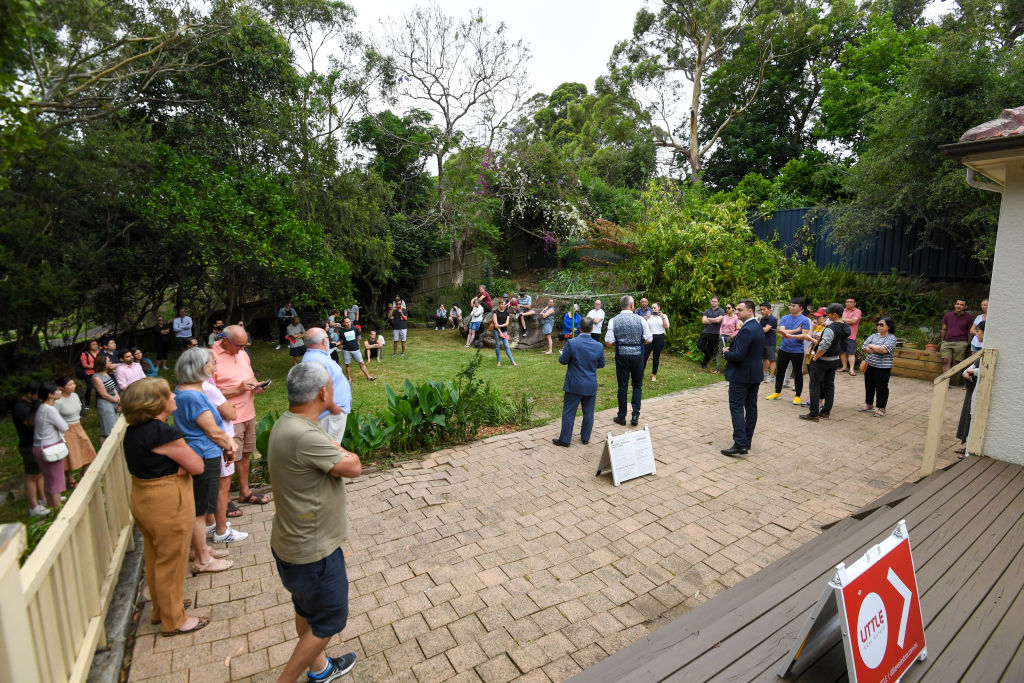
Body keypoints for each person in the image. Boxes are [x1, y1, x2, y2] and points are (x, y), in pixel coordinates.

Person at [268, 363, 361, 683]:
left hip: (293, 543)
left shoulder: (289, 422)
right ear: (324, 393)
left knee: (307, 611)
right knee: (330, 618)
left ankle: (320, 668)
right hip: (313, 550)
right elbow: (353, 466)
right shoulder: (306, 435)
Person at [121, 378, 209, 636]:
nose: (173, 395)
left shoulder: (135, 430)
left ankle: (162, 608)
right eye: (167, 392)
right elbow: (197, 465)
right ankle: (175, 620)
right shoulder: (161, 432)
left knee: (155, 556)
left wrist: (182, 460)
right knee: (172, 559)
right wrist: (186, 461)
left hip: (144, 496)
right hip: (167, 501)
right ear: (156, 403)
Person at [174, 347, 236, 574]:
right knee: (199, 509)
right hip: (202, 454)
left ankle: (201, 549)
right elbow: (213, 430)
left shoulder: (188, 391)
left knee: (201, 506)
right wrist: (229, 445)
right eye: (211, 363)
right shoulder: (192, 396)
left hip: (204, 452)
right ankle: (202, 559)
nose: (214, 367)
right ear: (198, 366)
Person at [212, 325, 270, 506]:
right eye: (238, 345)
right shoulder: (210, 357)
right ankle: (225, 499)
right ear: (225, 341)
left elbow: (249, 375)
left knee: (245, 455)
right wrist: (236, 390)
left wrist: (256, 385)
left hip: (248, 414)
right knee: (229, 458)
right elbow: (208, 392)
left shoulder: (242, 353)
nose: (242, 349)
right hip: (228, 418)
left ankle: (245, 492)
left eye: (244, 345)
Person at [200, 358, 246, 543]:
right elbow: (231, 413)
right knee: (222, 486)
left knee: (213, 485)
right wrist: (229, 409)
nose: (215, 367)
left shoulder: (191, 387)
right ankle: (221, 530)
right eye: (212, 363)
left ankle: (210, 522)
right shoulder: (208, 388)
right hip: (221, 439)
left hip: (212, 441)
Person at [552, 317, 606, 447]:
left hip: (574, 384)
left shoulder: (572, 343)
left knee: (569, 412)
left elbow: (563, 360)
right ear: (592, 329)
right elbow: (601, 364)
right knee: (588, 412)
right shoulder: (598, 346)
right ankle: (585, 437)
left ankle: (565, 439)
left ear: (579, 328)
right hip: (590, 383)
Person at [721, 300, 764, 456]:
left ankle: (740, 443)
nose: (737, 312)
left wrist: (726, 352)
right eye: (737, 309)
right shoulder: (757, 327)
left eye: (740, 310)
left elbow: (738, 356)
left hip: (741, 375)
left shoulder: (747, 330)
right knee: (751, 407)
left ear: (750, 311)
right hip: (754, 374)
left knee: (737, 407)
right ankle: (747, 440)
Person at [606, 295, 653, 426]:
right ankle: (635, 415)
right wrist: (639, 342)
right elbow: (649, 339)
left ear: (622, 306)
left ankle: (621, 416)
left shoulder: (613, 320)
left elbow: (609, 342)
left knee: (622, 386)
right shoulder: (641, 320)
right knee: (637, 385)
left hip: (621, 355)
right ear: (632, 306)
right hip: (638, 355)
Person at [302, 327, 353, 444]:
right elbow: (319, 389)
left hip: (330, 413)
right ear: (324, 341)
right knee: (330, 451)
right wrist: (334, 407)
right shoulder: (316, 361)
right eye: (327, 338)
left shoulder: (317, 355)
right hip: (329, 416)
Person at [801, 303, 850, 422]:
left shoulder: (830, 329)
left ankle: (814, 414)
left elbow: (824, 346)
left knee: (815, 386)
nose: (826, 315)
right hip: (834, 359)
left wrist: (815, 358)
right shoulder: (845, 327)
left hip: (822, 361)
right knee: (829, 385)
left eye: (828, 313)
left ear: (834, 315)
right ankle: (826, 412)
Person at [55, 376, 96, 489]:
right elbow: (55, 417)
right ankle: (70, 479)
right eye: (70, 385)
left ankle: (84, 473)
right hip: (66, 429)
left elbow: (79, 408)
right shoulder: (58, 401)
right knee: (70, 455)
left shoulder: (75, 395)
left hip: (78, 425)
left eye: (74, 384)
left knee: (88, 450)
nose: (73, 386)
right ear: (61, 388)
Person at [32, 381, 69, 510]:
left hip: (40, 448)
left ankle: (52, 507)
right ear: (50, 395)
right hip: (51, 448)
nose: (59, 392)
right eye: (57, 391)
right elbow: (64, 426)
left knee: (49, 480)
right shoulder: (50, 409)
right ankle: (58, 511)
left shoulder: (41, 407)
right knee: (56, 482)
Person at [13, 380, 47, 517]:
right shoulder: (20, 408)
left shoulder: (34, 403)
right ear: (29, 394)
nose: (38, 398)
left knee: (40, 473)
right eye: (36, 395)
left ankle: (43, 499)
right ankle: (34, 507)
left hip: (37, 443)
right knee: (31, 476)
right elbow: (31, 423)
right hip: (28, 445)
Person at [767, 299, 810, 405]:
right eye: (790, 305)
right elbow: (782, 332)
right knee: (780, 371)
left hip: (797, 351)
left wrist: (789, 333)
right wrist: (796, 330)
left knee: (798, 373)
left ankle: (797, 396)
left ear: (801, 308)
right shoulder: (785, 318)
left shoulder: (805, 320)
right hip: (784, 349)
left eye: (794, 306)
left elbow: (804, 336)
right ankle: (777, 392)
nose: (791, 307)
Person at [859, 317, 898, 418]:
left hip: (883, 367)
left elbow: (884, 350)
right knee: (869, 385)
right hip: (870, 364)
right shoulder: (873, 336)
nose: (879, 327)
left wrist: (872, 346)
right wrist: (877, 349)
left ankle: (881, 408)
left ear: (888, 327)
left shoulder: (891, 338)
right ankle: (869, 404)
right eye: (878, 324)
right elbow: (864, 347)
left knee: (881, 387)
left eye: (881, 325)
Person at [956, 321, 985, 457]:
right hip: (973, 387)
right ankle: (968, 446)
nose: (976, 333)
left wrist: (972, 372)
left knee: (973, 416)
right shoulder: (983, 348)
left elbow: (985, 368)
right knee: (968, 415)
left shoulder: (988, 349)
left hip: (979, 390)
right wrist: (968, 371)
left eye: (978, 331)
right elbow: (974, 365)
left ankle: (970, 449)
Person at [91, 355, 120, 444]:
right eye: (108, 361)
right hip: (105, 404)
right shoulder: (96, 378)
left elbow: (113, 388)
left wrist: (118, 399)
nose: (110, 362)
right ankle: (109, 450)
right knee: (110, 430)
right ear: (102, 364)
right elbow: (104, 394)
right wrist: (116, 400)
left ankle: (104, 452)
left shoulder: (106, 373)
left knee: (106, 430)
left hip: (113, 401)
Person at [940, 298, 973, 373]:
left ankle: (952, 381)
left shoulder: (969, 317)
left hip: (961, 343)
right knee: (946, 361)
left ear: (965, 307)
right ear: (955, 305)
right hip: (947, 342)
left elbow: (971, 331)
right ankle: (945, 383)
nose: (959, 306)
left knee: (956, 363)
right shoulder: (948, 315)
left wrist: (968, 342)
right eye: (957, 304)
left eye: (961, 305)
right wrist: (942, 341)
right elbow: (943, 329)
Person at [698, 296, 726, 372]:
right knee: (699, 345)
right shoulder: (707, 311)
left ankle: (704, 364)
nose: (713, 302)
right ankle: (710, 355)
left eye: (715, 301)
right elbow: (703, 321)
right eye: (712, 301)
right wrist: (714, 319)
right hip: (705, 331)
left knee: (710, 348)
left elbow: (718, 320)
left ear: (718, 302)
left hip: (715, 333)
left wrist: (709, 319)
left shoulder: (721, 311)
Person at [644, 303, 669, 382]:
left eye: (655, 308)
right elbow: (644, 327)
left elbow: (666, 327)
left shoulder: (663, 316)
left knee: (656, 357)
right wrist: (645, 318)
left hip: (659, 337)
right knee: (644, 356)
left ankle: (654, 375)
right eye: (652, 308)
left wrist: (662, 317)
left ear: (659, 308)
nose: (653, 309)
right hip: (650, 337)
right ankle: (640, 373)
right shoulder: (649, 317)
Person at [840, 298, 863, 375]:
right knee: (842, 352)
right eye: (847, 302)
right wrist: (846, 320)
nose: (848, 303)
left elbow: (853, 321)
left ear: (855, 303)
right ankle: (844, 367)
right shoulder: (843, 310)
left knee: (851, 353)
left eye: (850, 302)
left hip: (851, 335)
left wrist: (842, 319)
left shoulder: (857, 311)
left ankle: (852, 369)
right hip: (842, 335)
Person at [492, 299, 518, 366]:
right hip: (496, 331)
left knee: (506, 346)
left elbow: (507, 324)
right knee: (497, 345)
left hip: (504, 331)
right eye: (501, 304)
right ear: (499, 304)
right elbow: (495, 324)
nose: (503, 305)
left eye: (504, 304)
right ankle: (498, 361)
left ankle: (512, 361)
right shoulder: (495, 312)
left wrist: (500, 326)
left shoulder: (507, 312)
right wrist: (500, 332)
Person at [759, 303, 778, 383]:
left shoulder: (773, 319)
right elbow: (760, 329)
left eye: (764, 309)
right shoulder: (762, 319)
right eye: (761, 309)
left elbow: (765, 329)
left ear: (769, 309)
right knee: (764, 359)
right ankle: (765, 374)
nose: (762, 311)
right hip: (763, 342)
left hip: (770, 342)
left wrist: (757, 327)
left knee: (772, 360)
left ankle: (772, 376)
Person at [79, 340, 99, 408]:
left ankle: (98, 403)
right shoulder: (85, 354)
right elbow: (84, 365)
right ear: (89, 346)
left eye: (96, 344)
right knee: (89, 388)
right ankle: (87, 404)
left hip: (99, 372)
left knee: (98, 388)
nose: (95, 345)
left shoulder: (99, 352)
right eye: (93, 344)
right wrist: (95, 367)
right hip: (89, 373)